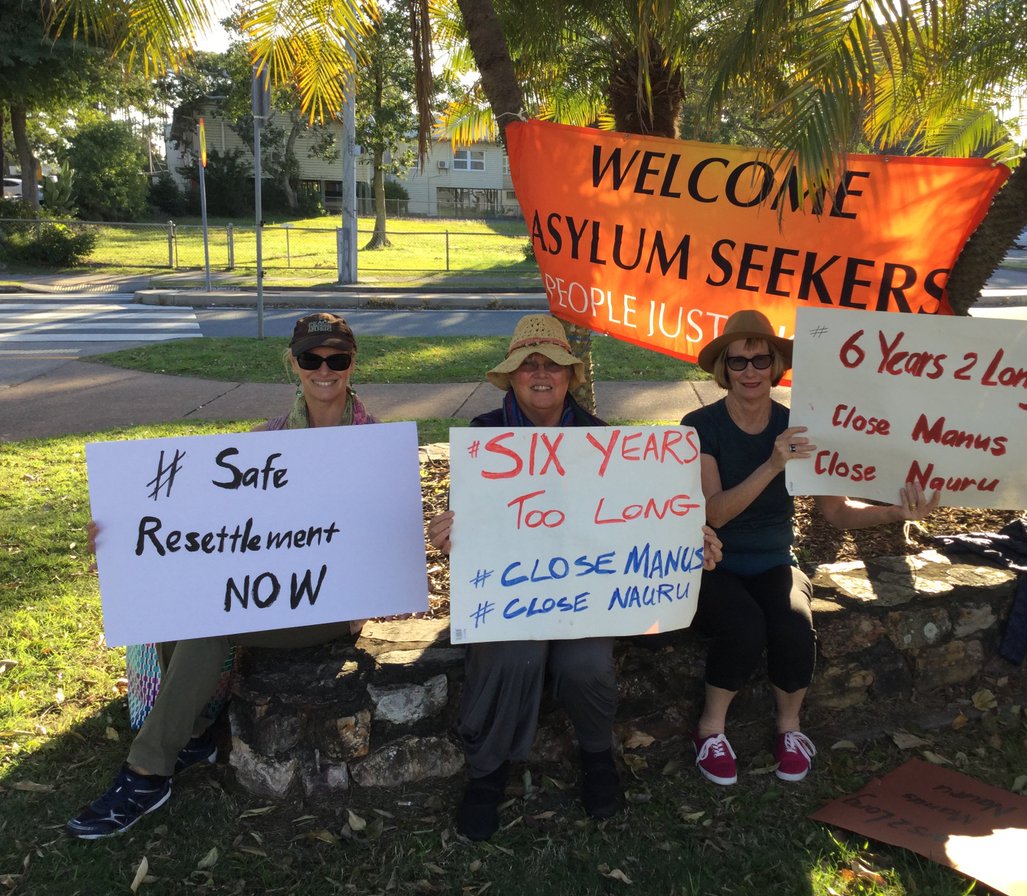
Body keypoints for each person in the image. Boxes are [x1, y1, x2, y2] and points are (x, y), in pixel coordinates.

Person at [67, 313, 378, 839]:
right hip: (266, 593)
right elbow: (205, 522)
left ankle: (147, 772)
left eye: (336, 359)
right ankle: (193, 738)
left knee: (209, 622)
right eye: (311, 358)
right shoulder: (266, 441)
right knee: (179, 602)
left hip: (329, 605)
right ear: (294, 364)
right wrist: (122, 538)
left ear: (352, 365)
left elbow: (383, 540)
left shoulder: (376, 445)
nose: (324, 369)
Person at [428, 314, 721, 842]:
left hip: (584, 594)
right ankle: (487, 774)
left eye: (553, 365)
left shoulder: (600, 440)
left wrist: (683, 536)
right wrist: (448, 533)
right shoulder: (483, 437)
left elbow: (638, 519)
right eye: (528, 365)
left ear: (572, 376)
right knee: (513, 654)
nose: (541, 374)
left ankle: (597, 757)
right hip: (511, 592)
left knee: (585, 662)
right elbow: (471, 529)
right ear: (512, 377)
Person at [681, 309, 939, 787]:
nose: (751, 371)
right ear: (724, 370)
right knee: (743, 625)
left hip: (776, 559)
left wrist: (895, 512)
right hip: (714, 562)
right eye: (738, 362)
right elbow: (713, 512)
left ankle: (790, 729)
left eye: (761, 359)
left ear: (777, 365)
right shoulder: (700, 425)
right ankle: (710, 730)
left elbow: (836, 513)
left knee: (794, 623)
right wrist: (773, 464)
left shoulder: (802, 425)